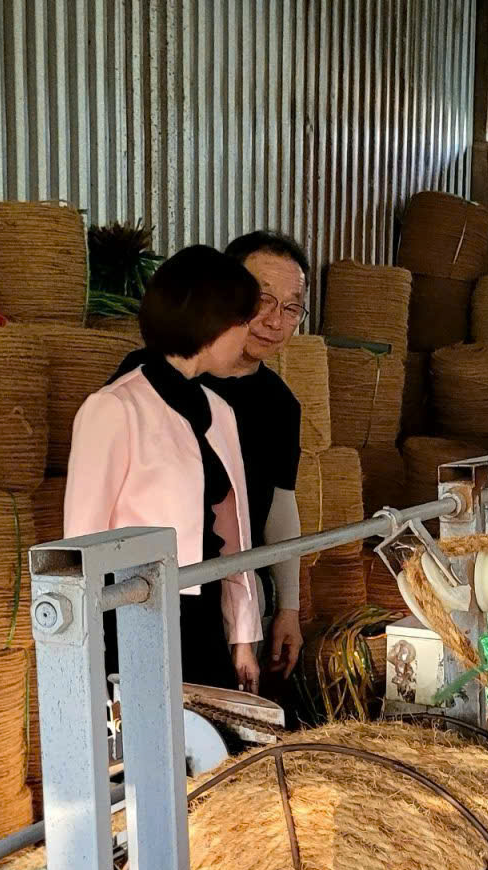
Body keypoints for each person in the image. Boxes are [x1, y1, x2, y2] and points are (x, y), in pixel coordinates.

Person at [66, 245, 266, 692]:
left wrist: (242, 638)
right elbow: (82, 542)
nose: (248, 335)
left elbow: (233, 537)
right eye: (244, 322)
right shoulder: (113, 408)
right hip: (133, 615)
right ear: (212, 323)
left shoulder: (220, 411)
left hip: (202, 613)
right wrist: (88, 659)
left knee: (215, 752)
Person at [114, 230, 309, 676]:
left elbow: (279, 507)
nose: (274, 321)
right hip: (145, 595)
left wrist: (288, 608)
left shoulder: (281, 405)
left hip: (234, 604)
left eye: (291, 306)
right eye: (262, 299)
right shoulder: (145, 379)